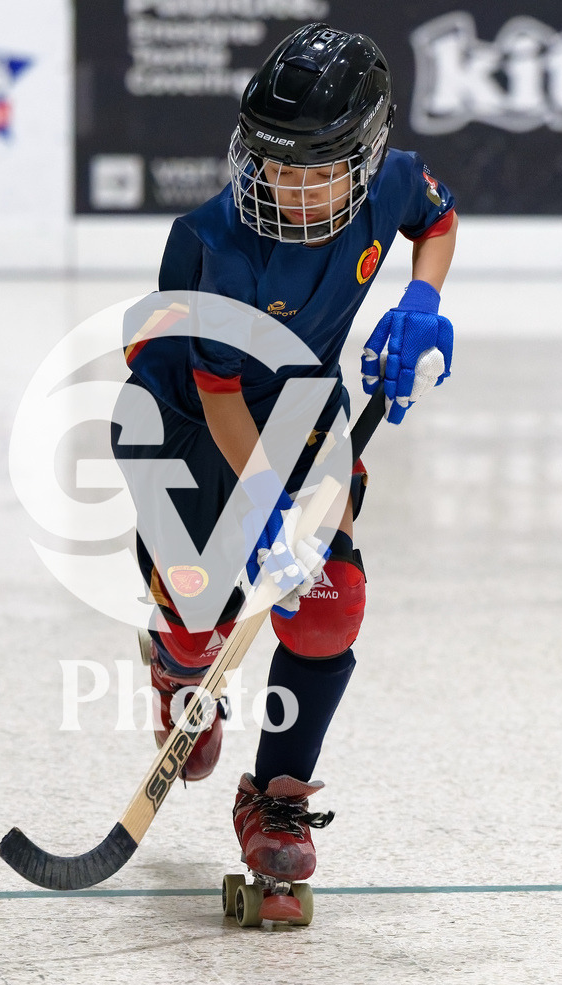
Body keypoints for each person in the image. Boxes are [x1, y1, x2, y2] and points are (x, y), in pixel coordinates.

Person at [111, 23, 457, 888]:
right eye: (273, 166)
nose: (287, 189)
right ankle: (179, 664)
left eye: (314, 172)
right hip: (186, 425)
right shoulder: (217, 244)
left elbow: (437, 219)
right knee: (201, 612)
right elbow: (219, 392)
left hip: (300, 410)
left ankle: (275, 796)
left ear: (365, 159)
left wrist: (421, 303)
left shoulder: (392, 181)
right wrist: (267, 510)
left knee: (330, 605)